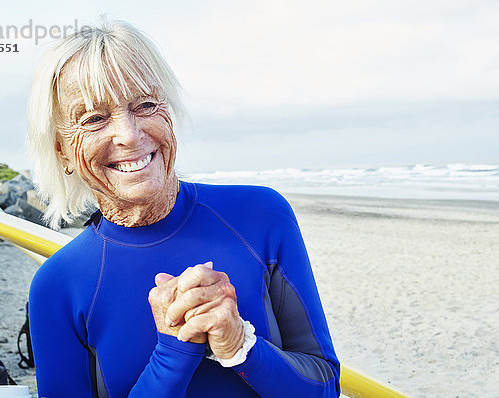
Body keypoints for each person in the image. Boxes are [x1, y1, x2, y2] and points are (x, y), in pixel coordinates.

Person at [27, 20, 340, 398]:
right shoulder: (57, 285)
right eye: (94, 118)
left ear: (168, 113)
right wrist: (174, 350)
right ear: (62, 151)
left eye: (144, 105)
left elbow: (323, 386)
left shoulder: (262, 216)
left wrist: (241, 346)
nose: (128, 135)